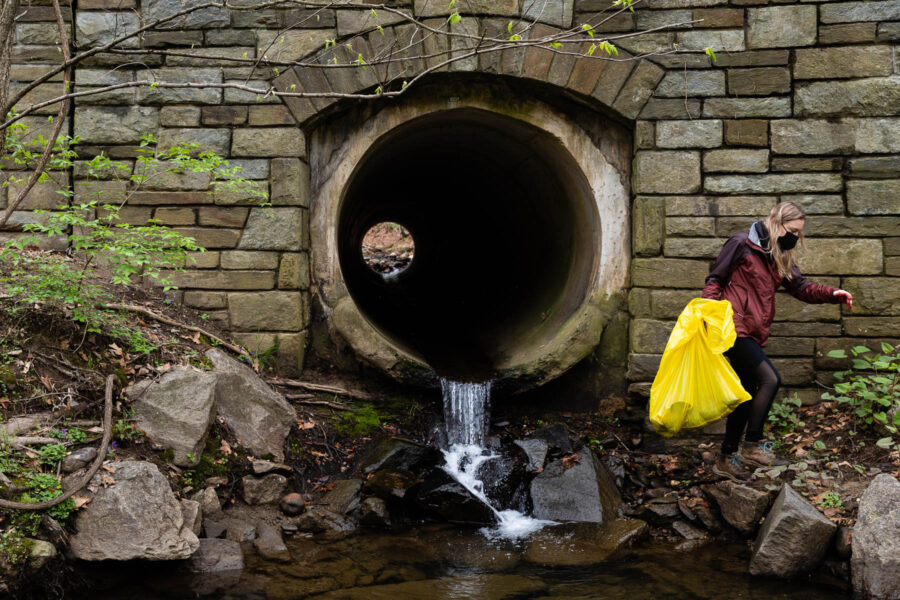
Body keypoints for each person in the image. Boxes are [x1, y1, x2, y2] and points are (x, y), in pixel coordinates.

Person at [701, 201, 853, 481]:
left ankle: (726, 457)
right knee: (770, 379)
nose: (795, 236)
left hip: (753, 330)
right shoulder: (740, 244)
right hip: (732, 327)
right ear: (777, 223)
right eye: (792, 230)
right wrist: (706, 316)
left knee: (747, 390)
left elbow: (802, 287)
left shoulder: (778, 255)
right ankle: (752, 446)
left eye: (799, 232)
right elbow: (715, 279)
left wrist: (833, 293)